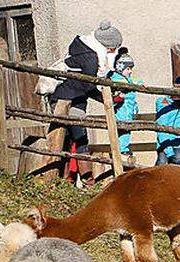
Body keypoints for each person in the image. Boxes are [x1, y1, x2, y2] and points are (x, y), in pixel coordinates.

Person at [50, 20, 123, 178]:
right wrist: (107, 99)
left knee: (67, 138)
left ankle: (66, 177)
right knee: (79, 135)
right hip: (69, 99)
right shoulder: (90, 58)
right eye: (113, 48)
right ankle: (86, 177)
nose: (113, 51)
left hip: (68, 96)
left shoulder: (83, 49)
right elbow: (88, 85)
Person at [109, 53, 141, 157]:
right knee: (122, 130)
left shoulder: (127, 80)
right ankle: (121, 149)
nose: (130, 71)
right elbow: (115, 98)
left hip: (128, 111)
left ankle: (124, 147)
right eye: (128, 69)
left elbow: (134, 84)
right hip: (121, 111)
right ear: (120, 68)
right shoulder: (117, 80)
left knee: (126, 130)